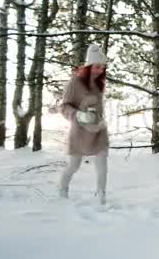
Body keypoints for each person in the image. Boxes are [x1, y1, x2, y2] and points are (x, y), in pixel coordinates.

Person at [58, 44, 109, 205]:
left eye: (102, 67)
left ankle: (101, 195)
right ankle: (62, 188)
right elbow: (64, 107)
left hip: (98, 130)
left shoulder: (99, 84)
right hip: (80, 132)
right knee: (74, 165)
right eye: (97, 66)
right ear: (88, 65)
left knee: (102, 162)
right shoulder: (75, 82)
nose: (100, 70)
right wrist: (79, 114)